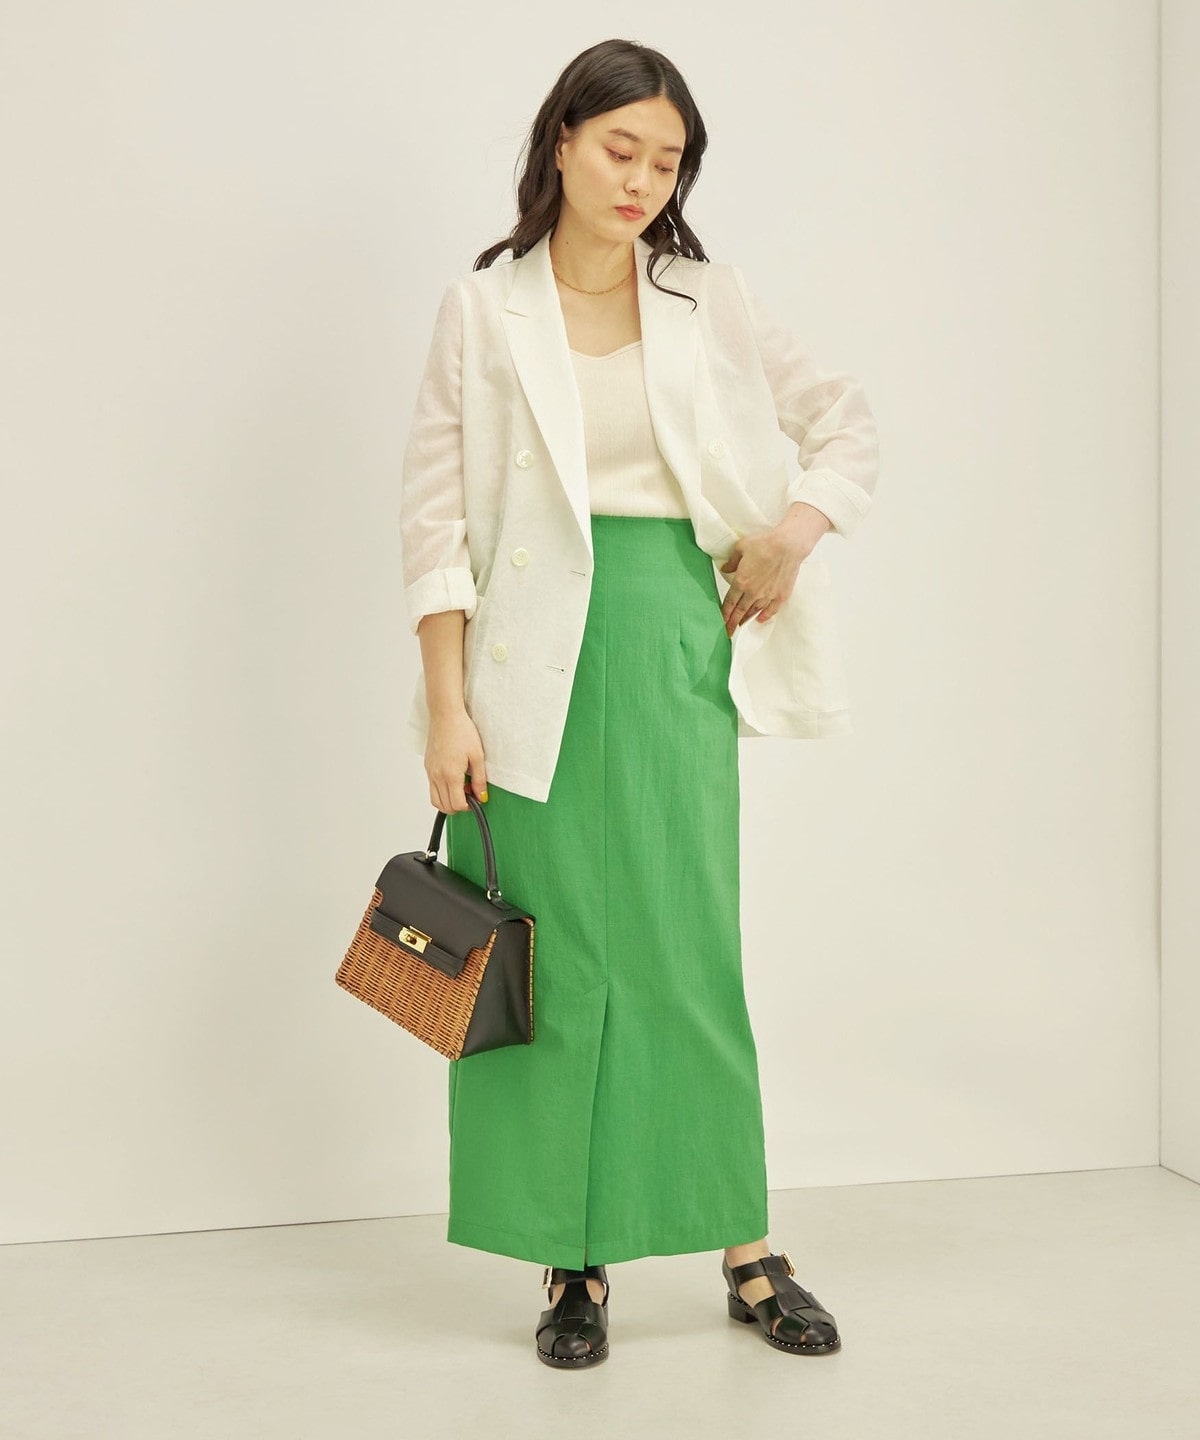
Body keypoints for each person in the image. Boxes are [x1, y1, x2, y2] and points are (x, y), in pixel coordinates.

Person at [399, 38, 879, 1368]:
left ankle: (747, 1247)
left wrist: (790, 536)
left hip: (672, 637)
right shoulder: (481, 309)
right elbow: (434, 525)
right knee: (553, 959)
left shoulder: (705, 298)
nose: (642, 180)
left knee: (685, 944)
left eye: (668, 163)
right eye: (622, 149)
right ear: (561, 139)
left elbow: (846, 421)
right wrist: (445, 709)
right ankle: (574, 1256)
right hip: (523, 667)